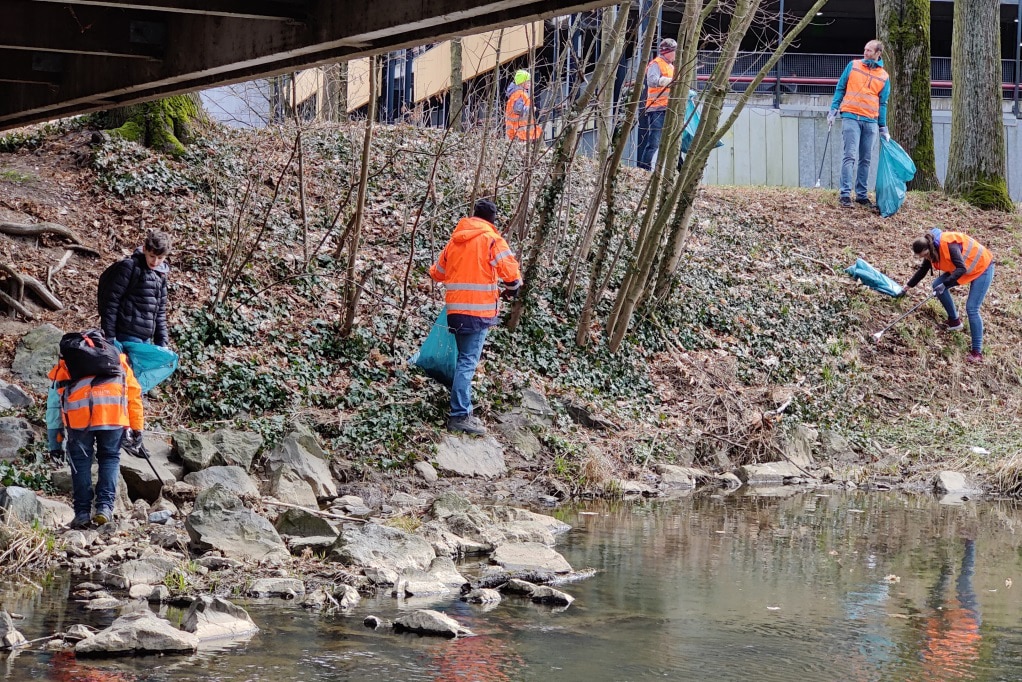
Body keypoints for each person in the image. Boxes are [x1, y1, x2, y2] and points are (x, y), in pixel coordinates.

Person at [429, 199, 522, 435]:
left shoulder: (455, 240)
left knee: (463, 359)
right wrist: (513, 288)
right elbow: (511, 275)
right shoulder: (491, 239)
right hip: (478, 312)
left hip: (455, 310)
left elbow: (436, 273)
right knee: (467, 362)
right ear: (492, 220)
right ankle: (459, 414)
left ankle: (461, 406)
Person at [46, 335, 144, 528]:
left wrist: (54, 443)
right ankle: (104, 508)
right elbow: (133, 395)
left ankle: (82, 513)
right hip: (113, 414)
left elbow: (53, 406)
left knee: (81, 462)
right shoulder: (118, 359)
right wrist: (137, 427)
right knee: (109, 458)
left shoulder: (67, 365)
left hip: (78, 417)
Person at [902, 228, 994, 363]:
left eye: (925, 255)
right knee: (936, 285)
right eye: (922, 257)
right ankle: (954, 321)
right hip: (965, 268)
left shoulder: (950, 246)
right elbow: (923, 270)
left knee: (972, 308)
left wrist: (945, 285)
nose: (926, 258)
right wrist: (907, 287)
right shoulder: (930, 250)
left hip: (982, 268)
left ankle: (977, 352)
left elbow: (961, 268)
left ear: (929, 248)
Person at [828, 40, 890, 209]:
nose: (865, 53)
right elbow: (840, 88)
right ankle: (845, 194)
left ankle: (861, 195)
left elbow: (883, 102)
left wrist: (882, 126)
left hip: (870, 120)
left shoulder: (884, 76)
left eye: (869, 50)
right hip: (851, 117)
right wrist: (833, 109)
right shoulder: (853, 65)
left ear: (878, 53)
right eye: (865, 49)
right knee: (850, 155)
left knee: (866, 159)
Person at [98, 230, 172, 347]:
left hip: (146, 339)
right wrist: (109, 336)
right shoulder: (129, 267)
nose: (155, 261)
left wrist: (162, 343)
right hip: (125, 334)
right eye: (152, 256)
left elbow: (160, 312)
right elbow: (110, 302)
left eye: (160, 258)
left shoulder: (161, 275)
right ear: (144, 249)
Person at [637, 38, 677, 171]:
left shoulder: (671, 66)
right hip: (656, 109)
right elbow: (652, 81)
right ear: (667, 52)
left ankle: (678, 169)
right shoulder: (656, 63)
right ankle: (644, 169)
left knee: (673, 142)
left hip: (669, 108)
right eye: (674, 51)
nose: (676, 54)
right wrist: (670, 81)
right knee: (654, 142)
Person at [505, 70, 541, 141]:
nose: (529, 83)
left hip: (518, 131)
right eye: (527, 81)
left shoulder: (516, 93)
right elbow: (518, 109)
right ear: (522, 82)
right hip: (520, 132)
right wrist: (531, 109)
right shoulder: (519, 93)